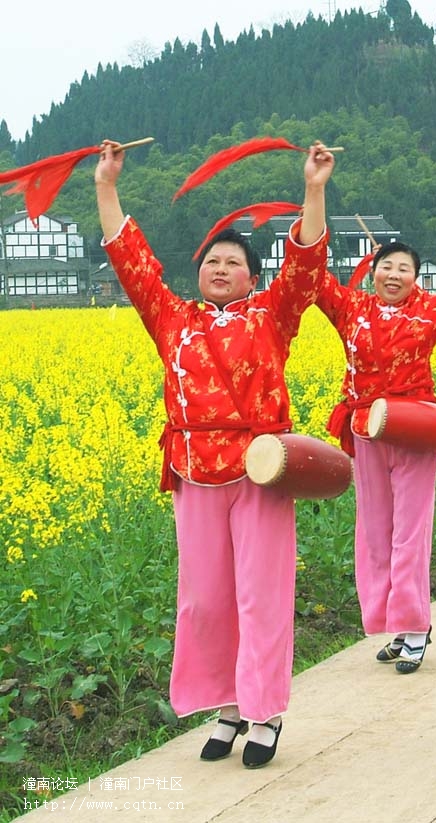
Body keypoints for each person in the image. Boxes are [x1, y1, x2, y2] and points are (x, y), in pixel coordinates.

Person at [95, 140, 334, 768]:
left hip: (259, 467)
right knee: (204, 596)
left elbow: (306, 267)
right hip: (194, 471)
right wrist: (106, 185)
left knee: (261, 592)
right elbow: (132, 261)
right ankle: (226, 703)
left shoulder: (272, 316)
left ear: (253, 277)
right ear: (198, 274)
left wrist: (313, 189)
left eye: (233, 261)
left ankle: (264, 712)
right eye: (212, 261)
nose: (221, 268)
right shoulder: (173, 320)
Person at [318, 244, 436, 675]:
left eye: (404, 269)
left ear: (416, 277)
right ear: (372, 271)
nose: (394, 275)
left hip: (414, 430)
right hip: (367, 431)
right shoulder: (351, 308)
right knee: (376, 531)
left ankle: (416, 627)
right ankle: (395, 622)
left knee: (410, 533)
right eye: (386, 267)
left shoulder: (431, 311)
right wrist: (313, 202)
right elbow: (311, 276)